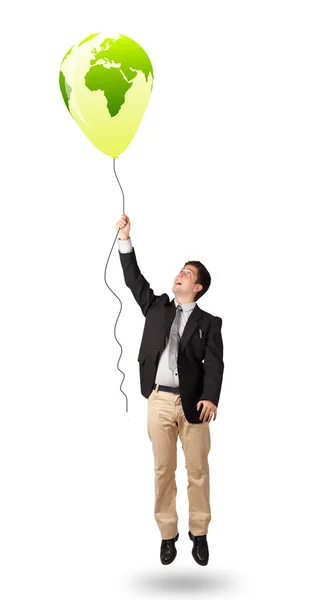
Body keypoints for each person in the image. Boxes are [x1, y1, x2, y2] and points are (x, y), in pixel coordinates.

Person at [115, 213, 224, 566]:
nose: (180, 275)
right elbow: (134, 280)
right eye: (181, 270)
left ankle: (200, 533)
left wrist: (210, 396)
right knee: (163, 470)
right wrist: (126, 240)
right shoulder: (157, 306)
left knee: (198, 471)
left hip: (194, 404)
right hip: (159, 398)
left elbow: (215, 363)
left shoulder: (209, 323)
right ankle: (167, 535)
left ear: (198, 288)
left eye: (188, 274)